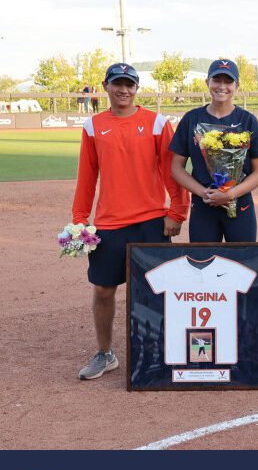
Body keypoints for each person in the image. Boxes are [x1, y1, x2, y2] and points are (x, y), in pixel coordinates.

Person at [72, 63, 189, 380]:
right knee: (103, 290)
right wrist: (80, 221)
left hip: (152, 220)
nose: (123, 90)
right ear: (106, 86)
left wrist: (177, 212)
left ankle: (160, 352)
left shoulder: (155, 122)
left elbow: (172, 171)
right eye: (117, 84)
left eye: (129, 84)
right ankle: (105, 353)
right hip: (109, 224)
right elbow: (87, 177)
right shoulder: (94, 126)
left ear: (137, 88)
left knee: (154, 290)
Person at [170, 59, 258, 243]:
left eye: (228, 81)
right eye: (217, 80)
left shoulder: (247, 120)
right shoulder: (192, 119)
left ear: (237, 86)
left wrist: (230, 194)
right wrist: (203, 193)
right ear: (207, 82)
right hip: (203, 205)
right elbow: (176, 168)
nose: (222, 86)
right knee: (203, 261)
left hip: (240, 205)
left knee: (244, 263)